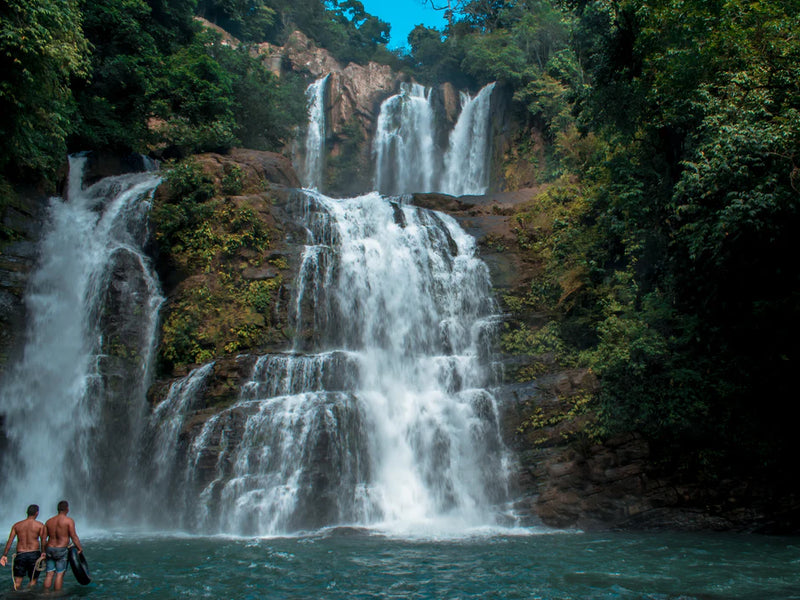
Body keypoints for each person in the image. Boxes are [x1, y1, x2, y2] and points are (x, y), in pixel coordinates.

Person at [0, 504, 46, 590]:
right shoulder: (40, 525)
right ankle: (29, 596)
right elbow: (43, 541)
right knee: (33, 581)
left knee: (17, 582)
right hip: (34, 554)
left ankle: (16, 596)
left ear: (27, 513)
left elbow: (10, 540)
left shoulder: (17, 525)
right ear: (37, 513)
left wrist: (4, 555)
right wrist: (43, 552)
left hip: (21, 554)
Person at [43, 500, 83, 591]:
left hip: (49, 548)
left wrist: (43, 551)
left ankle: (45, 593)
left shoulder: (49, 521)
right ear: (67, 509)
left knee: (49, 574)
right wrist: (79, 548)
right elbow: (74, 536)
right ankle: (56, 594)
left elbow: (43, 538)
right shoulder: (69, 521)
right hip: (61, 549)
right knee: (59, 574)